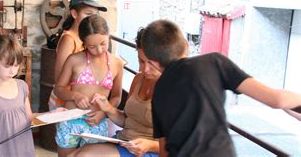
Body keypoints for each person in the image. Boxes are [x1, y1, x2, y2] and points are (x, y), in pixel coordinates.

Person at [140, 19, 301, 157]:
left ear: (153, 62)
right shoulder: (213, 63)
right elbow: (277, 100)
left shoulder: (159, 90)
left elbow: (164, 149)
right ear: (186, 44)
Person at [0, 35, 65, 157]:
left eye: (16, 65)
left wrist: (51, 114)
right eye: (7, 66)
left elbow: (29, 117)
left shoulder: (22, 86)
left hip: (23, 149)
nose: (13, 71)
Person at [70, 28, 160, 157]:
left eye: (151, 63)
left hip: (147, 151)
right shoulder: (139, 79)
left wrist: (150, 145)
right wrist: (107, 108)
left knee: (84, 155)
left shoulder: (172, 88)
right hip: (124, 141)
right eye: (141, 60)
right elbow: (127, 121)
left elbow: (179, 143)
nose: (144, 69)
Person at [54, 14, 124, 157]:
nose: (98, 50)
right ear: (84, 43)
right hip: (70, 122)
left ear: (109, 36)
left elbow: (116, 97)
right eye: (92, 46)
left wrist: (104, 112)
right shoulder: (74, 60)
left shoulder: (117, 63)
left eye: (103, 43)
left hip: (97, 122)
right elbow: (58, 89)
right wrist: (75, 95)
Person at [48, 0, 108, 110]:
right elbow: (59, 77)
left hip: (81, 103)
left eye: (95, 14)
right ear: (74, 14)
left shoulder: (89, 39)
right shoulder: (69, 39)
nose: (92, 18)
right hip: (65, 103)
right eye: (88, 13)